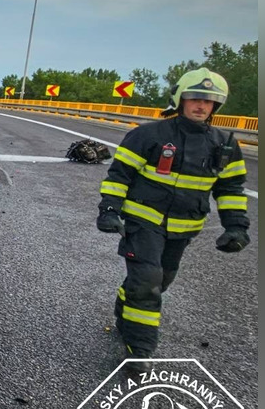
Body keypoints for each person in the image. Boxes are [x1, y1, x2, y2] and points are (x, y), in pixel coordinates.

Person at [96, 68, 250, 371]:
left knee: (161, 280)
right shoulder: (149, 135)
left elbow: (230, 189)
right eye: (195, 99)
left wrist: (236, 226)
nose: (201, 106)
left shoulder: (226, 145)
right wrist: (110, 210)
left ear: (216, 107)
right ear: (180, 100)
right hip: (142, 224)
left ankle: (126, 302)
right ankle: (139, 349)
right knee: (148, 282)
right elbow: (119, 175)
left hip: (183, 230)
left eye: (209, 102)